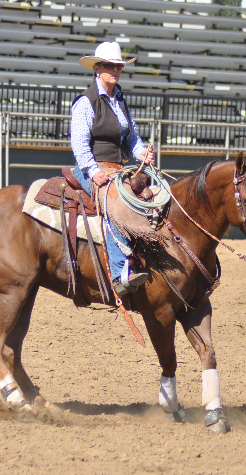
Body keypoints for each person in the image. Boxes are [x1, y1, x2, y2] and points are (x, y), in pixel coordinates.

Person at [70, 41, 155, 297]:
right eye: (109, 66)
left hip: (119, 168)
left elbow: (132, 138)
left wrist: (142, 153)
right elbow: (79, 144)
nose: (115, 70)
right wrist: (93, 171)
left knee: (155, 192)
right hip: (93, 168)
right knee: (116, 205)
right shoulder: (86, 102)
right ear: (97, 68)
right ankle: (119, 273)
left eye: (118, 66)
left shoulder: (120, 100)